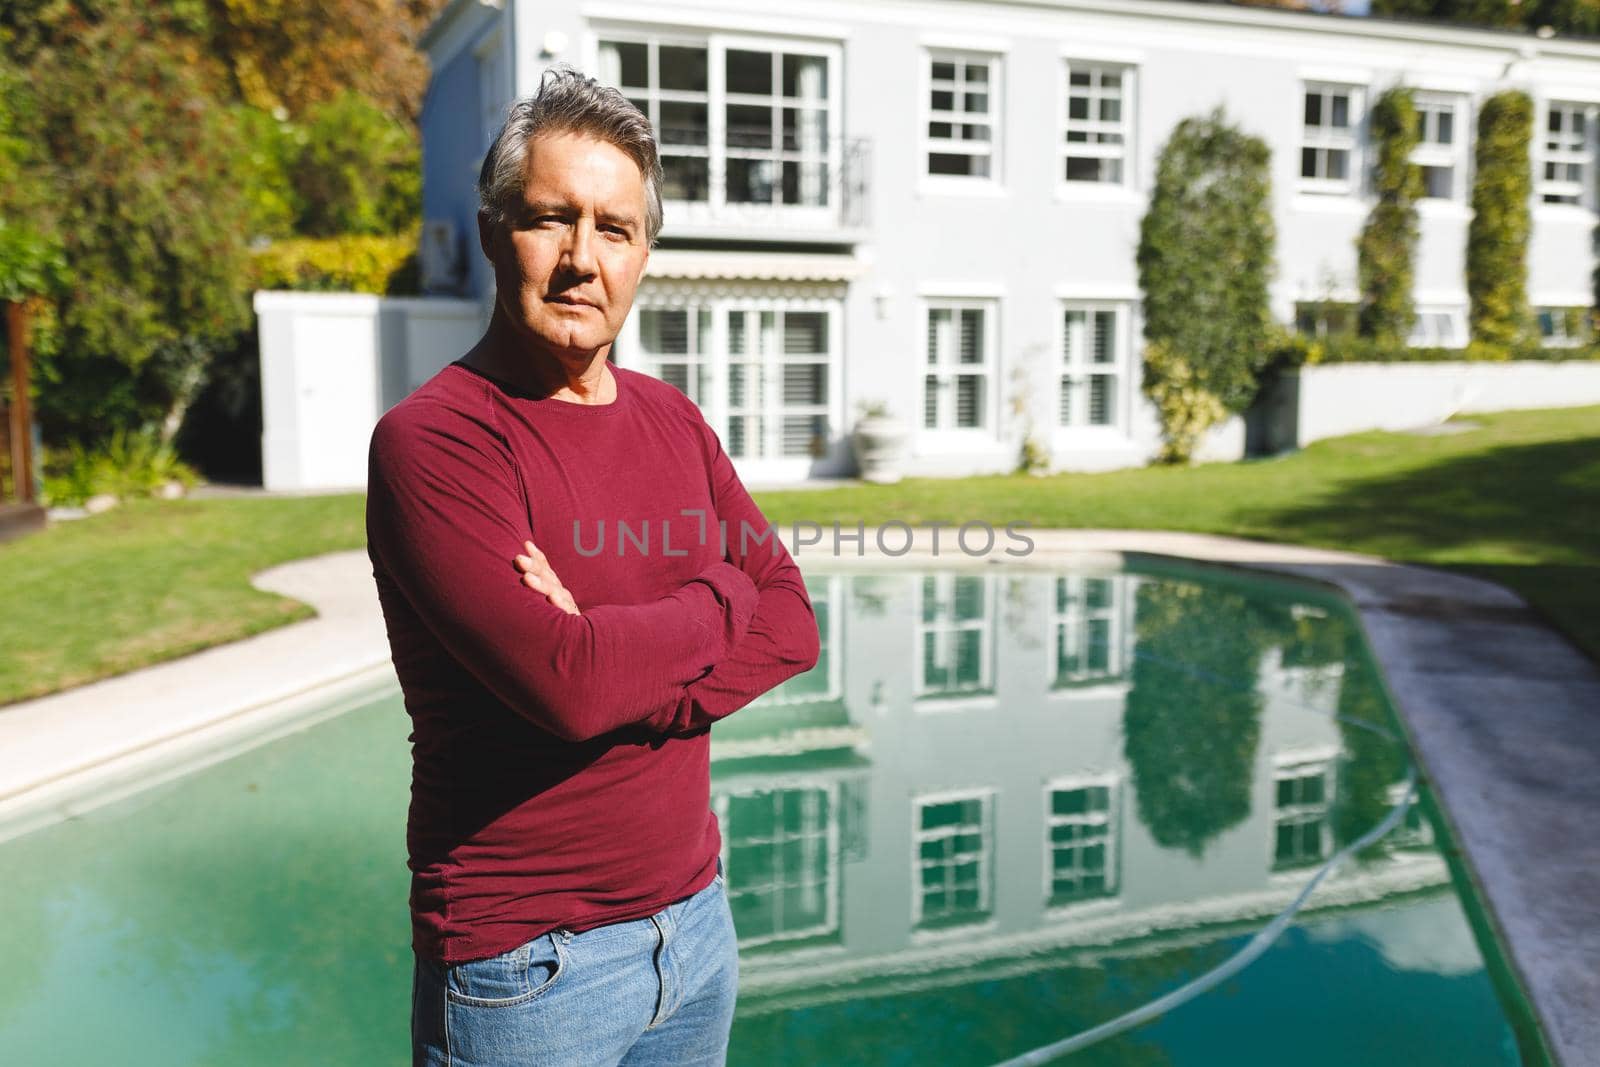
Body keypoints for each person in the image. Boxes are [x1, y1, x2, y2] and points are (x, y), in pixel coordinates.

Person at [365, 65, 821, 1066]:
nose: (581, 259)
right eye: (549, 220)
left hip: (696, 927)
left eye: (614, 229)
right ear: (494, 232)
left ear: (644, 253)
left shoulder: (675, 422)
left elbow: (792, 621)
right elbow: (568, 685)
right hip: (525, 968)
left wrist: (627, 668)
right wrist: (715, 595)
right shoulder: (436, 443)